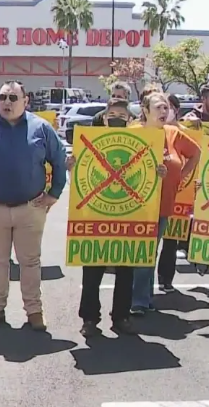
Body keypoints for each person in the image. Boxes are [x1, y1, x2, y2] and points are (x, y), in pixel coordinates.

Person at [0, 80, 67, 331]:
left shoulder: (41, 128)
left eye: (12, 98)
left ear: (25, 101)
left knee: (30, 262)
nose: (6, 102)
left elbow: (59, 160)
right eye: (2, 97)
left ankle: (34, 311)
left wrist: (54, 193)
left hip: (30, 207)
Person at [72, 98, 156, 336]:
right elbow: (82, 176)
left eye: (122, 116)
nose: (117, 119)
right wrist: (73, 164)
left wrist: (158, 171)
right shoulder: (90, 143)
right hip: (95, 214)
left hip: (128, 216)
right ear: (104, 118)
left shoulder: (141, 144)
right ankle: (89, 318)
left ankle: (121, 316)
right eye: (112, 116)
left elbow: (146, 176)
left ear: (130, 120)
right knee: (92, 270)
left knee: (125, 271)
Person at [130, 92, 202, 315]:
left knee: (150, 251)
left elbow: (196, 153)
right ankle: (138, 300)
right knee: (141, 251)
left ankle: (144, 297)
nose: (164, 111)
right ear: (145, 111)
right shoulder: (133, 132)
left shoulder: (173, 133)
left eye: (166, 107)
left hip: (163, 205)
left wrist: (179, 176)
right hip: (136, 206)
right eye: (158, 107)